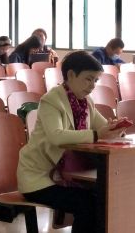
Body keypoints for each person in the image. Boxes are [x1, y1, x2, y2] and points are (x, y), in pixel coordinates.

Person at [18, 51, 127, 233]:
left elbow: (103, 127)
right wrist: (97, 134)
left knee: (105, 198)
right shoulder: (51, 100)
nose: (92, 85)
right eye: (88, 79)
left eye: (95, 80)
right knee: (87, 204)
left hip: (65, 175)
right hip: (40, 180)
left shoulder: (86, 102)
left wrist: (116, 128)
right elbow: (57, 136)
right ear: (70, 75)